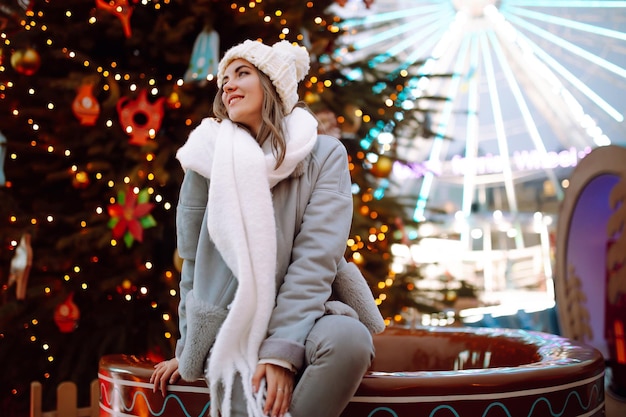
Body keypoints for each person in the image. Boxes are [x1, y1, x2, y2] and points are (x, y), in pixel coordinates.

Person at [150, 39, 384, 417]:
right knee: (237, 373)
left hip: (305, 316)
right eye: (224, 78)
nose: (227, 85)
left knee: (349, 339)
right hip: (232, 320)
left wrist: (281, 353)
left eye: (242, 73)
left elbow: (315, 259)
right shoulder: (205, 162)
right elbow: (192, 263)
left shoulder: (323, 156)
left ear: (273, 85)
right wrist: (189, 346)